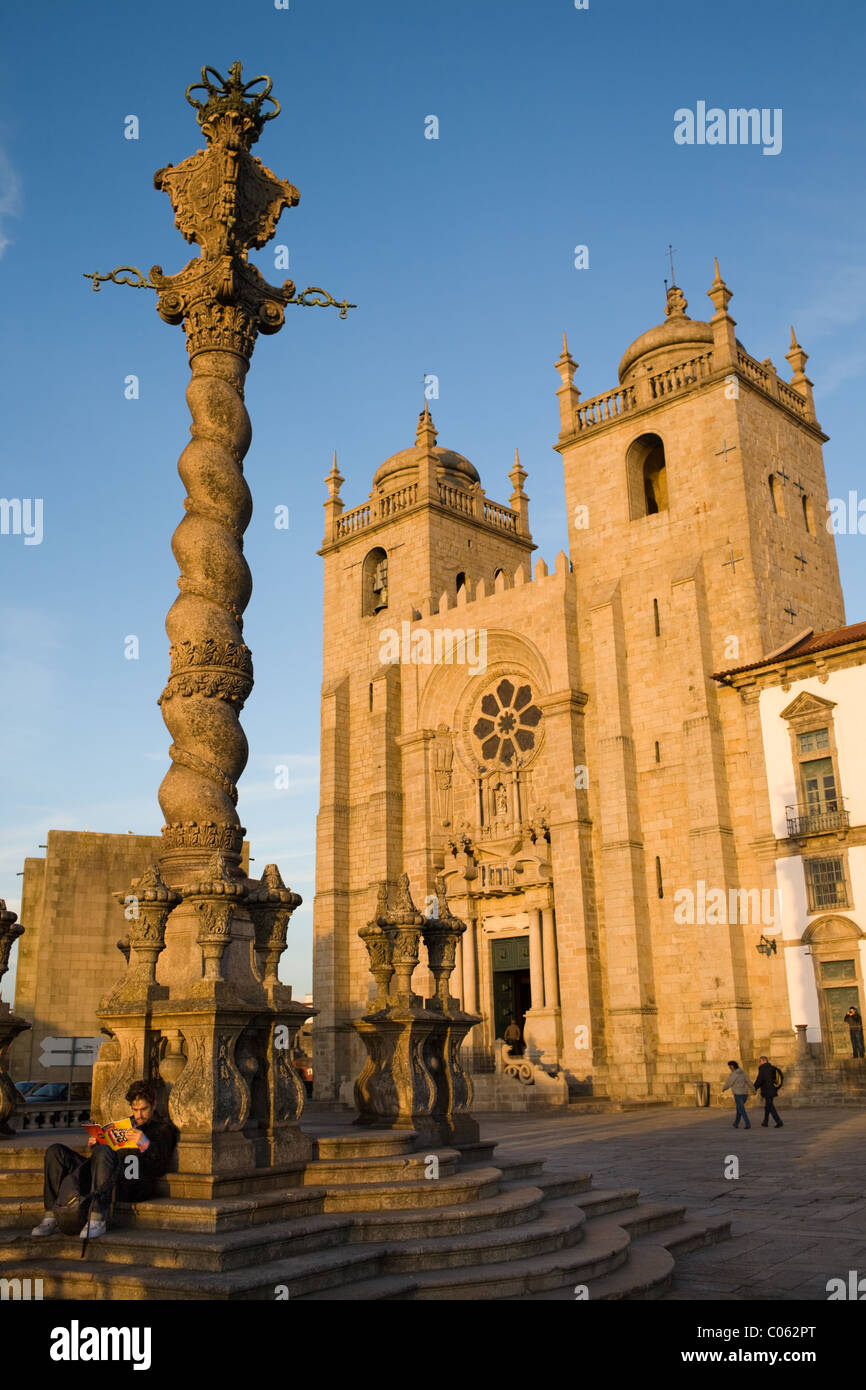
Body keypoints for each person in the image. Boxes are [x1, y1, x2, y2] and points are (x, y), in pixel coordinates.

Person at [32, 1080, 177, 1241]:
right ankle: (51, 1215)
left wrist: (144, 1143)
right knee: (56, 1152)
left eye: (144, 1109)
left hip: (132, 1180)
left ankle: (97, 1217)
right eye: (135, 1110)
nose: (139, 1115)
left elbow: (159, 1166)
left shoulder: (162, 1128)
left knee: (104, 1151)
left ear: (154, 1105)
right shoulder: (126, 1125)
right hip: (104, 1175)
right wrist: (98, 1142)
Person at [721, 1060, 755, 1128]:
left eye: (730, 1067)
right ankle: (736, 1123)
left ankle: (748, 1123)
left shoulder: (734, 1074)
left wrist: (724, 1088)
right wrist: (753, 1089)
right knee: (739, 1108)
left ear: (732, 1066)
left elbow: (729, 1083)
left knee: (741, 1110)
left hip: (738, 1094)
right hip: (745, 1094)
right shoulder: (743, 1073)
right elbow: (749, 1082)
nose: (730, 1069)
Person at [753, 1055, 783, 1128]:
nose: (759, 1063)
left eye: (760, 1061)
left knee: (770, 1107)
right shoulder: (772, 1068)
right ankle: (765, 1122)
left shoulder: (763, 1069)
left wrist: (754, 1088)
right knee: (767, 1106)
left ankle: (779, 1121)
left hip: (767, 1090)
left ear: (764, 1061)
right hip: (772, 1090)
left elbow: (759, 1080)